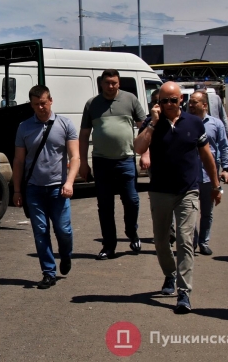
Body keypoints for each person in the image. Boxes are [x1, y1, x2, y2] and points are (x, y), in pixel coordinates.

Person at [134, 81, 222, 314]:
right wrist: (153, 123)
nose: (169, 104)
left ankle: (184, 292)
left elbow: (207, 156)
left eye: (173, 100)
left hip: (187, 191)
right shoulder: (152, 123)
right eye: (164, 101)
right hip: (160, 191)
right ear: (158, 102)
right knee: (161, 241)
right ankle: (170, 274)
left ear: (181, 100)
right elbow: (138, 148)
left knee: (185, 240)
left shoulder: (194, 123)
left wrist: (215, 185)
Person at [12, 85, 80, 289]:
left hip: (59, 188)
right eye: (36, 104)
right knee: (40, 231)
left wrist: (69, 182)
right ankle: (49, 272)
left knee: (63, 230)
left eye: (43, 103)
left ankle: (66, 255)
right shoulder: (24, 127)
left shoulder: (65, 124)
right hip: (34, 189)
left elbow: (75, 157)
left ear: (51, 100)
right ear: (31, 105)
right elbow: (19, 161)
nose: (40, 107)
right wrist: (17, 190)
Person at [79, 69, 146, 259]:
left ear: (119, 83)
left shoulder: (130, 99)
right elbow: (84, 135)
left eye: (114, 83)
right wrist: (83, 162)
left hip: (126, 160)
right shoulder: (92, 104)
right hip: (102, 162)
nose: (111, 86)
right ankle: (109, 246)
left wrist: (146, 153)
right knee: (105, 205)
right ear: (101, 83)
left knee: (132, 200)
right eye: (107, 83)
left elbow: (144, 129)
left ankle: (132, 232)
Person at [187, 91, 228, 255]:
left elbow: (224, 147)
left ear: (204, 105)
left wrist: (226, 169)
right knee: (189, 212)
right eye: (190, 102)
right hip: (189, 176)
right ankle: (192, 242)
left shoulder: (216, 124)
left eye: (194, 102)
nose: (190, 105)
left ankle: (203, 242)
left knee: (207, 212)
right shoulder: (184, 122)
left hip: (209, 176)